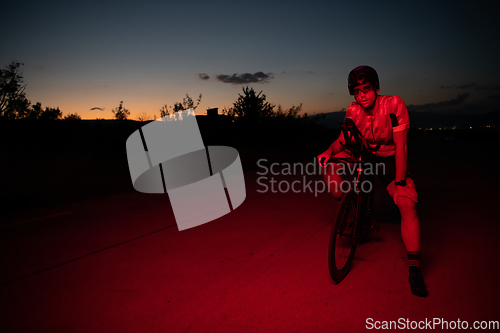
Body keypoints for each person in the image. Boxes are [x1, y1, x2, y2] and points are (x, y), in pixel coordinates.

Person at [317, 65, 427, 297]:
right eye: (357, 91)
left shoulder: (394, 104)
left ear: (375, 87)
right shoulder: (353, 110)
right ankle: (355, 209)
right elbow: (342, 140)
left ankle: (415, 269)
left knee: (407, 204)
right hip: (363, 153)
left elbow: (402, 146)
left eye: (366, 89)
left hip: (389, 157)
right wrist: (328, 150)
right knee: (327, 165)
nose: (362, 95)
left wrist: (399, 181)